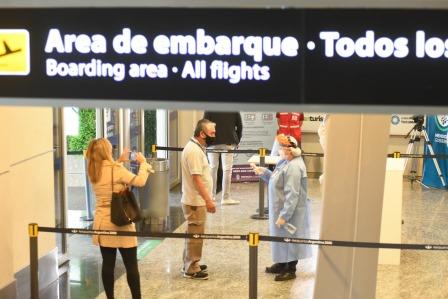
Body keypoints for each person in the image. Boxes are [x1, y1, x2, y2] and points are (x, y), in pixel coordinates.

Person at [86, 138, 153, 299]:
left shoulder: (93, 170)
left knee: (108, 264)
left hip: (102, 222)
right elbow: (140, 181)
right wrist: (144, 164)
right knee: (131, 266)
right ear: (106, 152)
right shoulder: (116, 169)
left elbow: (109, 176)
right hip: (120, 221)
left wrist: (120, 161)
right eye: (110, 148)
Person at [251, 134, 312, 281]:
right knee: (280, 237)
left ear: (289, 150)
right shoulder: (284, 162)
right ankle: (281, 263)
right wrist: (264, 172)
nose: (277, 150)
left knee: (290, 239)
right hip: (279, 207)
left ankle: (290, 269)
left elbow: (292, 195)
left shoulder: (294, 167)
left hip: (290, 211)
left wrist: (285, 215)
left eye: (280, 148)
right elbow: (276, 179)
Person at [181, 119, 217, 280]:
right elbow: (197, 179)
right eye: (212, 133)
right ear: (202, 134)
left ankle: (190, 262)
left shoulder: (196, 147)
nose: (214, 136)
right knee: (196, 235)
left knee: (192, 233)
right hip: (195, 201)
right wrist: (208, 200)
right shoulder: (194, 151)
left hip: (195, 200)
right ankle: (191, 268)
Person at [203, 111, 243, 205]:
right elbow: (239, 126)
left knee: (212, 168)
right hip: (229, 140)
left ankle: (211, 196)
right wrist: (237, 140)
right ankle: (225, 198)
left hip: (212, 142)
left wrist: (206, 141)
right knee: (227, 170)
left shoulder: (209, 107)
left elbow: (204, 125)